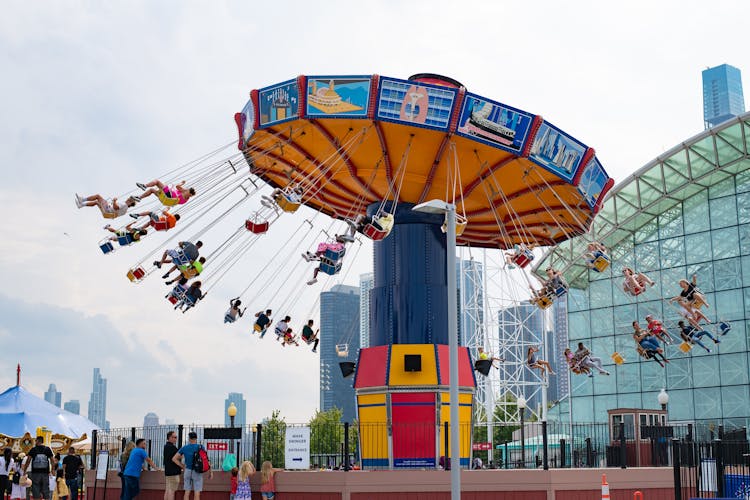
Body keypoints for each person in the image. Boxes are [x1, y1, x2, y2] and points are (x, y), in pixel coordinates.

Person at [173, 432, 212, 500]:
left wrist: (183, 466)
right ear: (196, 438)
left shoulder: (184, 448)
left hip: (187, 471)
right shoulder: (200, 447)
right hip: (197, 471)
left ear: (189, 439)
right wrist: (210, 472)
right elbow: (206, 460)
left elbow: (174, 459)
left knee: (187, 492)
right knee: (197, 493)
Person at [163, 431, 181, 500]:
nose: (176, 439)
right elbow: (178, 457)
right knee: (171, 491)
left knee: (168, 490)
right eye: (175, 437)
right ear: (170, 437)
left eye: (176, 437)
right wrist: (183, 466)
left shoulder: (166, 446)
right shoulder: (172, 447)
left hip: (168, 472)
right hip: (174, 472)